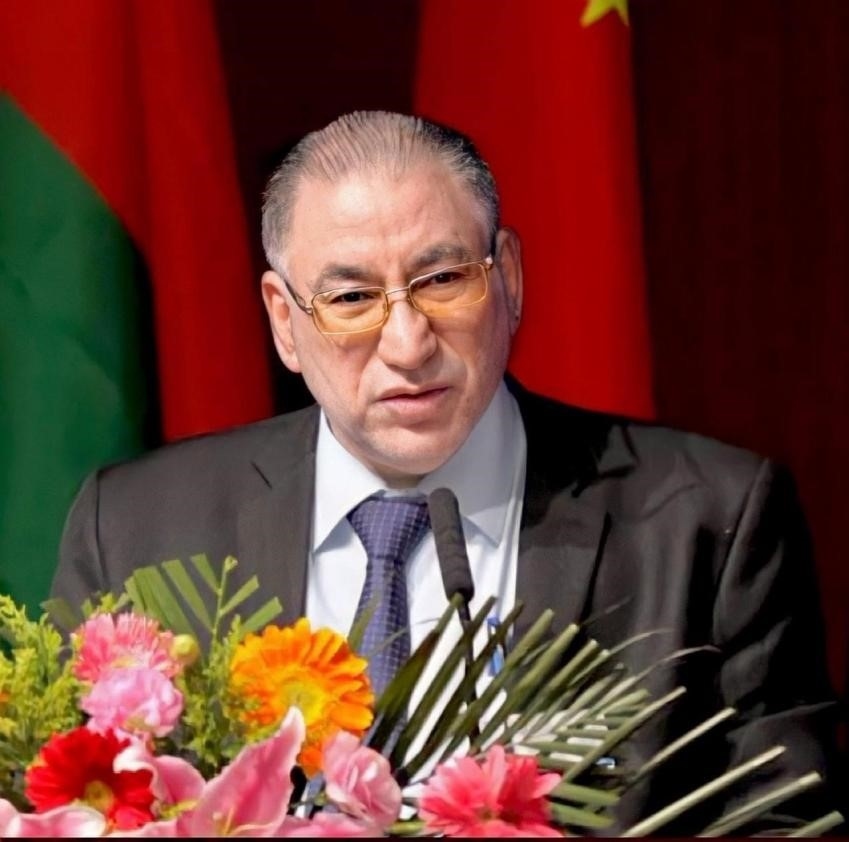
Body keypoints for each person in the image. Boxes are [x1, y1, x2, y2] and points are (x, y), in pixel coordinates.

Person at [53, 111, 839, 830]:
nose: (407, 343)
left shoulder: (705, 522)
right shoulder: (136, 529)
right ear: (285, 322)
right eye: (352, 297)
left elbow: (783, 824)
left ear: (509, 279)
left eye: (442, 281)